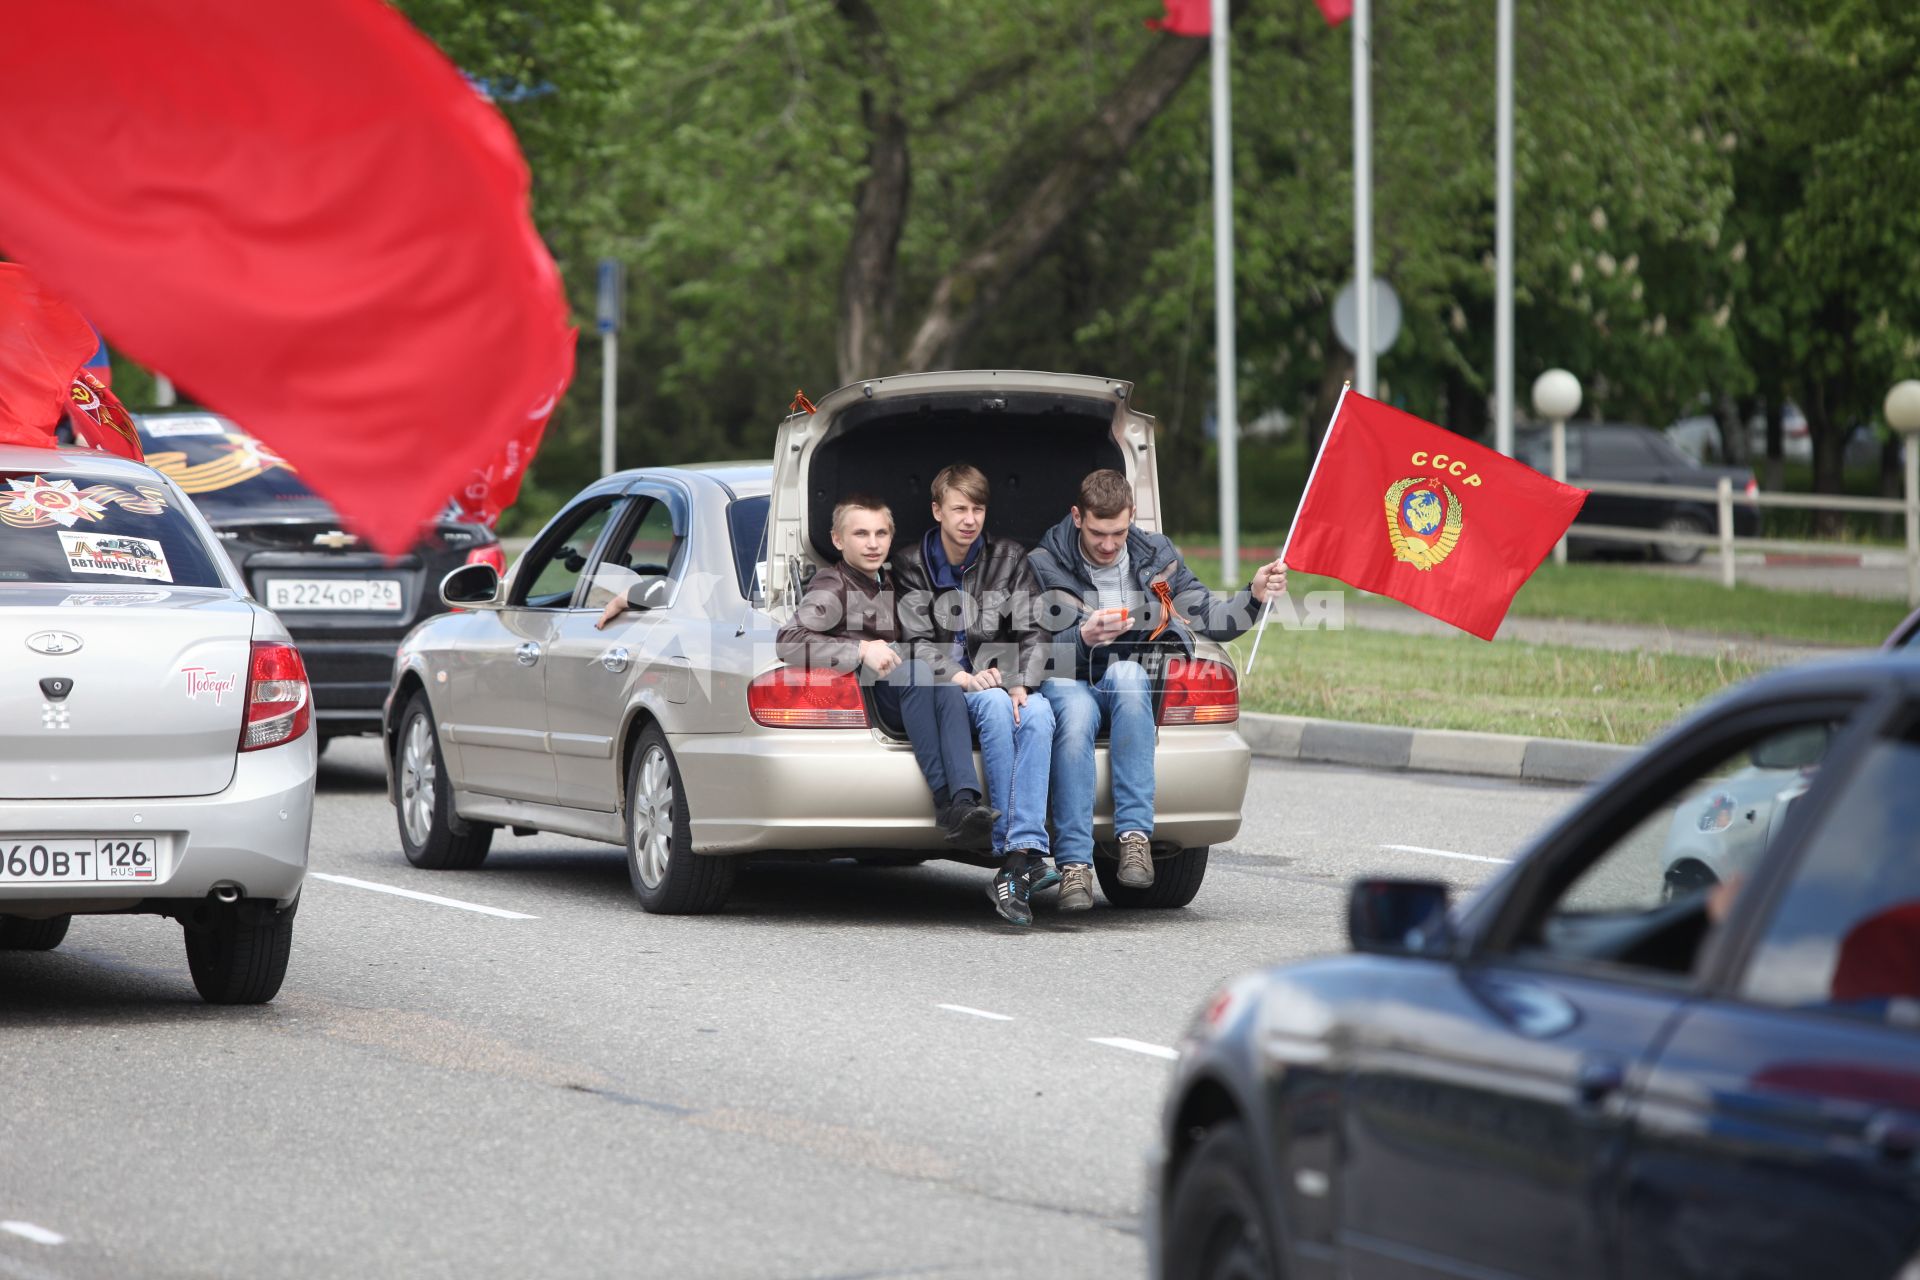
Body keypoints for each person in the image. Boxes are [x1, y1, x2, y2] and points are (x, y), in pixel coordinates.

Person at [1027, 468, 1286, 903]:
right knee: (1074, 716)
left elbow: (1212, 619)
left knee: (1129, 675)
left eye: (1118, 533)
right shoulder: (1043, 562)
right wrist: (1082, 637)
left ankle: (1133, 840)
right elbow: (1030, 648)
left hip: (1125, 676)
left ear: (1131, 517)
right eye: (1097, 534)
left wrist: (1254, 595)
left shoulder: (1157, 555)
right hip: (1068, 676)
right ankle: (1074, 865)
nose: (1108, 545)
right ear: (1076, 517)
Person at [773, 494, 999, 851]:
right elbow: (788, 640)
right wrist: (860, 650)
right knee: (915, 673)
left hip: (914, 688)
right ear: (837, 540)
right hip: (875, 694)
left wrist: (963, 676)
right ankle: (945, 799)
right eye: (861, 534)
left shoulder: (891, 580)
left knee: (945, 685)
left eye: (881, 533)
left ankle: (964, 803)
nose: (873, 543)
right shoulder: (833, 585)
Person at [893, 463, 1057, 927]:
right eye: (959, 508)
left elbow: (1034, 626)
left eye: (978, 508)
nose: (970, 519)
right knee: (993, 705)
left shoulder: (1007, 555)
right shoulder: (910, 562)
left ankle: (1019, 855)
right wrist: (961, 677)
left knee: (1040, 716)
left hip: (1003, 676)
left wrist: (1022, 679)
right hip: (956, 686)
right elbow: (917, 639)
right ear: (937, 510)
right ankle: (1013, 849)